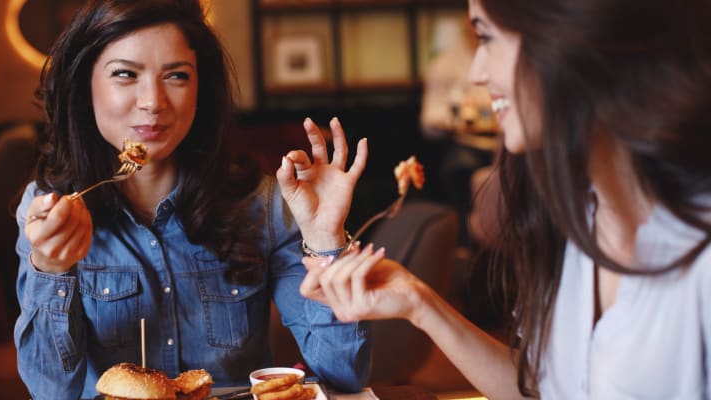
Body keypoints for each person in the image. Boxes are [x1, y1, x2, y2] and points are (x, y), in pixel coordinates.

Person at [290, 0, 711, 398]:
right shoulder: (577, 218)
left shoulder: (698, 253)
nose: (476, 72)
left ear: (566, 37)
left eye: (486, 38)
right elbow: (542, 391)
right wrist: (421, 304)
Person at [14, 1, 370, 398]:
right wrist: (49, 267)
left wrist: (325, 239)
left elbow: (342, 376)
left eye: (177, 76)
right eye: (125, 74)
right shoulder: (50, 212)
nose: (152, 101)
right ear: (85, 86)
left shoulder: (262, 205)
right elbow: (49, 391)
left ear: (202, 91)